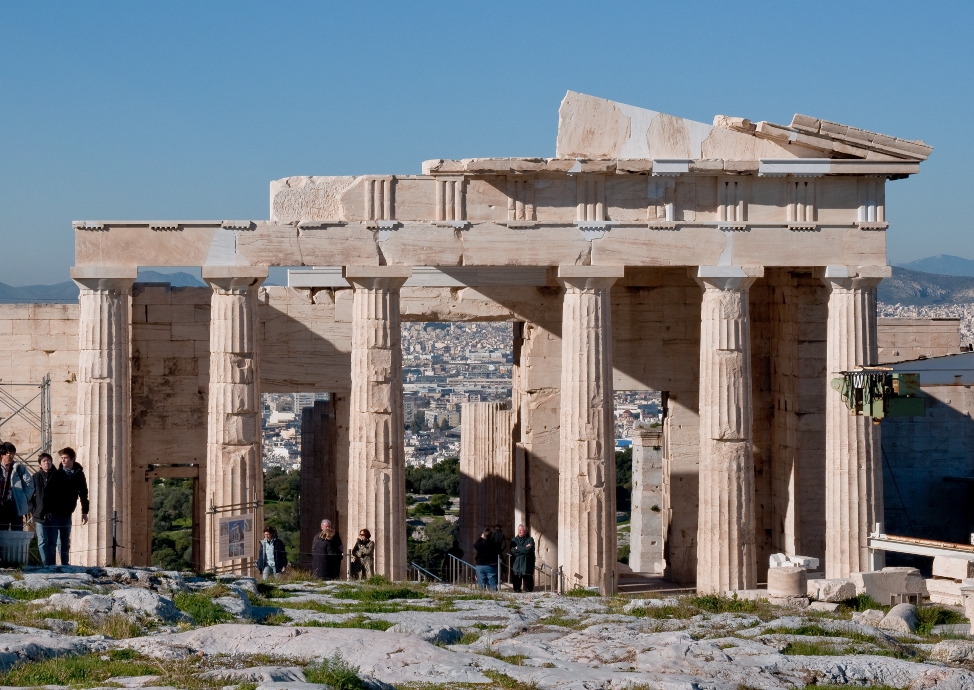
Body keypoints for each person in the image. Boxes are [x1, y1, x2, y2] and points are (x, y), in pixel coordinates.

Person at [39, 447, 88, 566]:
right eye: (62, 458)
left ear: (72, 459)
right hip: (55, 512)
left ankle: (65, 564)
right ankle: (50, 565)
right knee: (52, 540)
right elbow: (48, 494)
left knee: (65, 541)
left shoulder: (79, 474)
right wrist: (48, 510)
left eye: (65, 458)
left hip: (67, 512)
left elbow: (83, 493)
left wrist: (84, 511)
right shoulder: (57, 474)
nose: (63, 460)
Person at [31, 453, 58, 564]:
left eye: (48, 460)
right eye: (44, 461)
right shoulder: (36, 477)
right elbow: (30, 495)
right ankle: (45, 564)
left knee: (52, 541)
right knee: (42, 541)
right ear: (40, 464)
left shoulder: (57, 476)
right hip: (39, 514)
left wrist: (53, 510)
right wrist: (33, 509)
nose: (47, 463)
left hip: (53, 514)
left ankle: (52, 564)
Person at [0, 443, 33, 531]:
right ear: (2, 454)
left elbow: (29, 484)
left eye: (13, 454)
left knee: (17, 533)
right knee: (2, 534)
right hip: (1, 506)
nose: (11, 456)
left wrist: (24, 498)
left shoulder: (19, 468)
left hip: (15, 505)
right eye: (9, 453)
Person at [509, 524, 536, 593]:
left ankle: (528, 590)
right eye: (518, 530)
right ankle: (517, 589)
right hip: (517, 563)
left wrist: (518, 548)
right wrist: (524, 549)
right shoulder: (514, 540)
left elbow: (529, 550)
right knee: (516, 579)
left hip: (527, 563)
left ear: (526, 531)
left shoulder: (530, 539)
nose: (519, 532)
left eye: (521, 530)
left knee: (528, 579)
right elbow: (513, 551)